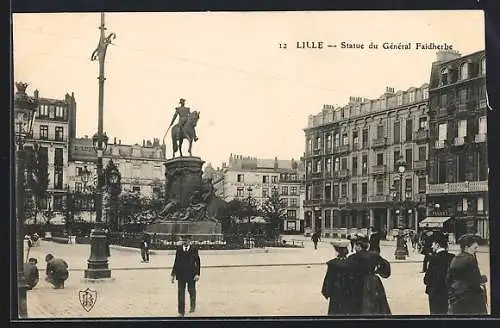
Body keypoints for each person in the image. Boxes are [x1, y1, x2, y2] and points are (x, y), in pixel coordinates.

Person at [347, 233, 391, 315]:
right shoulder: (374, 255)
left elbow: (348, 271)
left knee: (358, 306)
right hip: (372, 281)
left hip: (358, 282)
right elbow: (386, 267)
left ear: (359, 246)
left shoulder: (352, 257)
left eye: (356, 245)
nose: (355, 247)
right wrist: (377, 271)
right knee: (376, 305)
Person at [447, 233, 488, 315]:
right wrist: (484, 278)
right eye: (475, 248)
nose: (476, 250)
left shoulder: (455, 258)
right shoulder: (470, 259)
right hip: (471, 298)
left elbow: (448, 279)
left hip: (456, 296)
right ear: (466, 247)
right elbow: (476, 280)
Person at [321, 239, 356, 315]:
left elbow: (329, 278)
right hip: (349, 289)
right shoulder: (351, 262)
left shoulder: (333, 263)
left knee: (335, 310)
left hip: (336, 289)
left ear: (337, 251)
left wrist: (326, 291)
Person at [423, 231, 455, 315]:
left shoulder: (434, 259)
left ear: (437, 245)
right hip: (449, 293)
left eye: (433, 244)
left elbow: (426, 279)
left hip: (435, 293)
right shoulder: (452, 257)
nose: (431, 246)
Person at [171, 235, 201, 317]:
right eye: (183, 240)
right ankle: (181, 312)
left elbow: (198, 262)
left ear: (189, 241)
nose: (185, 242)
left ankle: (192, 306)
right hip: (181, 275)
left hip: (191, 275)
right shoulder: (179, 249)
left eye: (186, 240)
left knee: (191, 291)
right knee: (181, 293)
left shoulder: (194, 249)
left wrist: (197, 274)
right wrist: (173, 274)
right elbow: (176, 262)